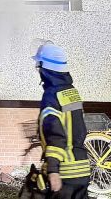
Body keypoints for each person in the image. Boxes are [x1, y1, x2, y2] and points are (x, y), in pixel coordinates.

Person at [33, 43, 90, 199]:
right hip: (82, 170)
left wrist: (53, 170)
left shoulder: (51, 95)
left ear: (45, 68)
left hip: (65, 173)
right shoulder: (72, 92)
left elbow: (56, 134)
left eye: (39, 67)